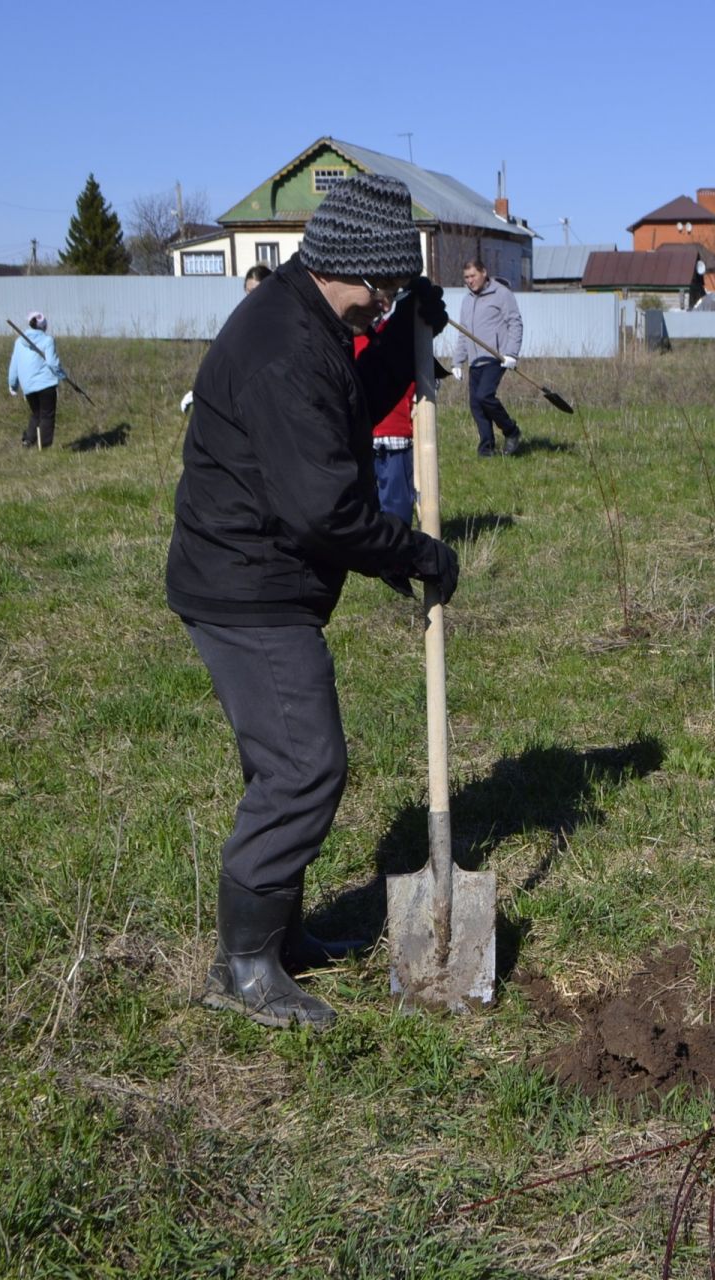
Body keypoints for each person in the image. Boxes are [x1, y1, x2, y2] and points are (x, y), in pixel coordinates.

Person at [167, 173, 457, 1031]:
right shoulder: (285, 345)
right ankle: (245, 967)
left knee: (281, 767)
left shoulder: (309, 321)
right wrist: (417, 553)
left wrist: (407, 328)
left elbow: (341, 417)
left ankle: (278, 936)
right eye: (384, 292)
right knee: (305, 767)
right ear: (349, 268)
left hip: (255, 577)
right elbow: (325, 510)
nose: (382, 307)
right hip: (247, 590)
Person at [448, 258, 523, 457]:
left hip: (495, 357)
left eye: (473, 276)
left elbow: (515, 323)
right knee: (476, 404)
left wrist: (511, 353)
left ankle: (511, 431)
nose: (469, 281)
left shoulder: (501, 294)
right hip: (475, 360)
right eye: (466, 278)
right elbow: (464, 333)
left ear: (483, 273)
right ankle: (486, 449)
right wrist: (457, 362)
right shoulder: (467, 301)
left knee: (484, 396)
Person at [180, 265, 275, 415]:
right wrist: (201, 390)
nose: (252, 297)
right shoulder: (244, 320)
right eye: (249, 292)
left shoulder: (277, 320)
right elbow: (228, 358)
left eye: (257, 291)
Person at [355, 316, 417, 521]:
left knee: (396, 502)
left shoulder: (396, 337)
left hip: (395, 433)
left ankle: (398, 546)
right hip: (361, 435)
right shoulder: (349, 338)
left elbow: (415, 381)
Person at [7, 311, 64, 448]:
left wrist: (13, 385)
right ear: (44, 325)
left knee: (36, 414)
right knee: (47, 415)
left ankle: (28, 440)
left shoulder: (19, 342)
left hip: (28, 386)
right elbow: (52, 363)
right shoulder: (47, 340)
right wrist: (62, 375)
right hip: (46, 384)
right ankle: (44, 447)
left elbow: (14, 365)